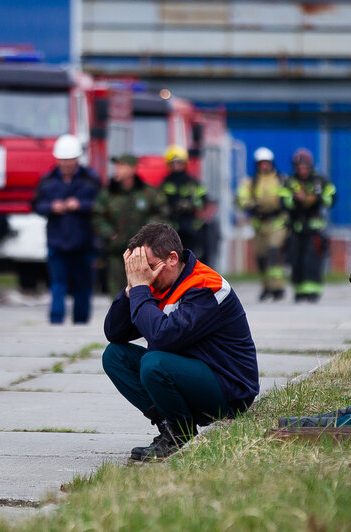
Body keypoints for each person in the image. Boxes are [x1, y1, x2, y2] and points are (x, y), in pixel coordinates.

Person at [102, 223, 259, 461]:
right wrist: (131, 288)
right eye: (138, 270)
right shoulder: (157, 282)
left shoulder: (205, 286)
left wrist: (141, 289)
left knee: (154, 363)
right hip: (189, 374)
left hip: (227, 390)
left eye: (149, 267)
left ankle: (180, 436)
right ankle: (170, 428)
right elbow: (115, 333)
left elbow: (163, 337)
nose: (145, 275)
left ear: (173, 259)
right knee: (115, 356)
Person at [32, 134, 100, 324]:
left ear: (77, 159)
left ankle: (81, 322)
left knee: (83, 285)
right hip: (57, 242)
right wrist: (51, 207)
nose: (66, 164)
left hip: (83, 242)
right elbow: (36, 204)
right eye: (63, 160)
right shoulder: (47, 181)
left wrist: (81, 205)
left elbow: (101, 204)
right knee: (57, 284)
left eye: (69, 160)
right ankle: (56, 320)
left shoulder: (90, 180)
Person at [92, 154, 169, 298]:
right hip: (116, 252)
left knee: (143, 291)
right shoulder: (108, 193)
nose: (117, 170)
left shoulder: (147, 193)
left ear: (132, 169)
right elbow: (97, 216)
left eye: (121, 166)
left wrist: (148, 232)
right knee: (117, 294)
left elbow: (162, 214)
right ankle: (120, 319)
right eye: (116, 166)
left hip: (143, 254)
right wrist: (110, 233)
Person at [236, 147, 290, 301]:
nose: (264, 166)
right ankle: (266, 287)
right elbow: (241, 198)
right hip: (259, 223)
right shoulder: (250, 182)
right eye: (261, 163)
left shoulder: (281, 180)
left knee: (274, 252)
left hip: (277, 222)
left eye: (266, 163)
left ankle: (277, 287)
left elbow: (287, 196)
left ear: (271, 163)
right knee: (261, 257)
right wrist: (249, 204)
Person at [284, 148, 336, 303]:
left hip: (314, 228)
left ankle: (313, 291)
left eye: (305, 167)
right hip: (296, 227)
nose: (302, 170)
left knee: (312, 260)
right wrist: (295, 199)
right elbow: (284, 200)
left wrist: (316, 198)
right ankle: (299, 291)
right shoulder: (291, 181)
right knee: (296, 260)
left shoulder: (319, 180)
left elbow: (331, 197)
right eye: (299, 167)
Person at [159, 145, 209, 260]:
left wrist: (190, 205)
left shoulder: (193, 182)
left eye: (179, 162)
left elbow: (203, 200)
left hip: (191, 226)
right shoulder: (165, 184)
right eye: (173, 163)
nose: (176, 165)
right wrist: (171, 208)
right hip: (173, 226)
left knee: (194, 257)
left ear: (184, 163)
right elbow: (160, 203)